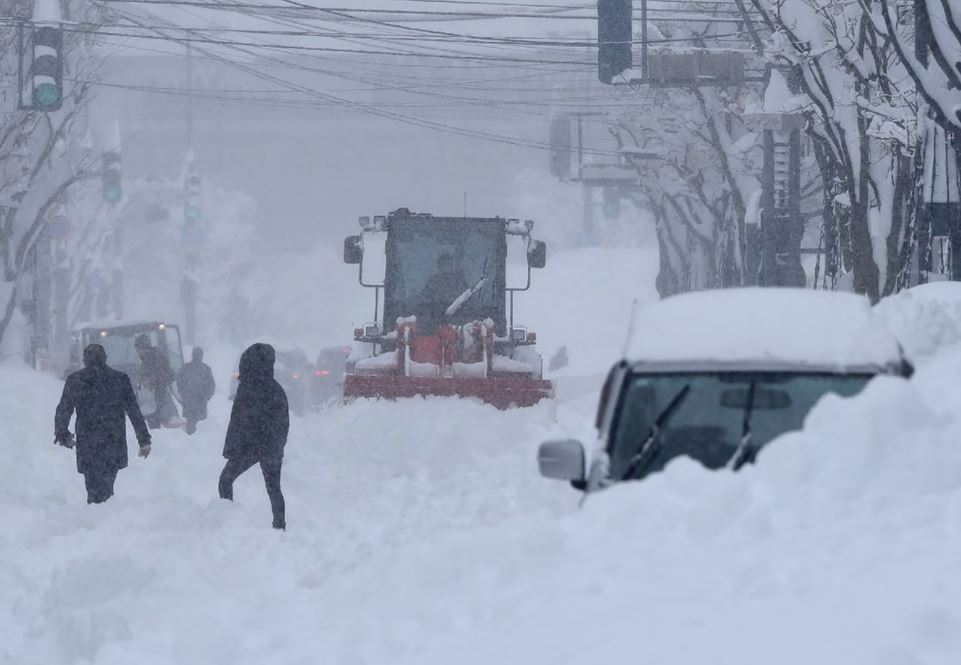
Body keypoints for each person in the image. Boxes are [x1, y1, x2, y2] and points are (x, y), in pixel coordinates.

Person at [54, 344, 152, 504]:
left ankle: (96, 508)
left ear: (84, 360)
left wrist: (62, 434)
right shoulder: (120, 379)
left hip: (88, 441)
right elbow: (134, 412)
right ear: (105, 359)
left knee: (92, 483)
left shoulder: (75, 380)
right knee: (108, 482)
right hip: (113, 440)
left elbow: (64, 409)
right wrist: (144, 440)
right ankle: (104, 511)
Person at [219, 343, 289, 530]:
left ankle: (227, 521)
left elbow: (238, 422)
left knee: (226, 479)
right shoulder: (276, 390)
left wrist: (233, 449)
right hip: (270, 447)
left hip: (248, 448)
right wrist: (277, 447)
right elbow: (283, 424)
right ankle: (279, 527)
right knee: (274, 488)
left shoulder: (247, 389)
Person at [134, 334, 178, 429]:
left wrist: (151, 380)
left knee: (160, 431)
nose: (138, 352)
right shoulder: (148, 359)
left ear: (143, 347)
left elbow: (165, 375)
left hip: (159, 402)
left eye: (138, 349)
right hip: (154, 402)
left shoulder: (155, 357)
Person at [177, 346, 216, 435]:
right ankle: (197, 443)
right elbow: (212, 386)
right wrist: (206, 397)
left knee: (192, 426)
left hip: (192, 403)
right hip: (198, 403)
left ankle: (192, 443)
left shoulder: (186, 368)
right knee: (200, 428)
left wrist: (184, 394)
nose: (197, 356)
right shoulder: (205, 369)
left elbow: (179, 383)